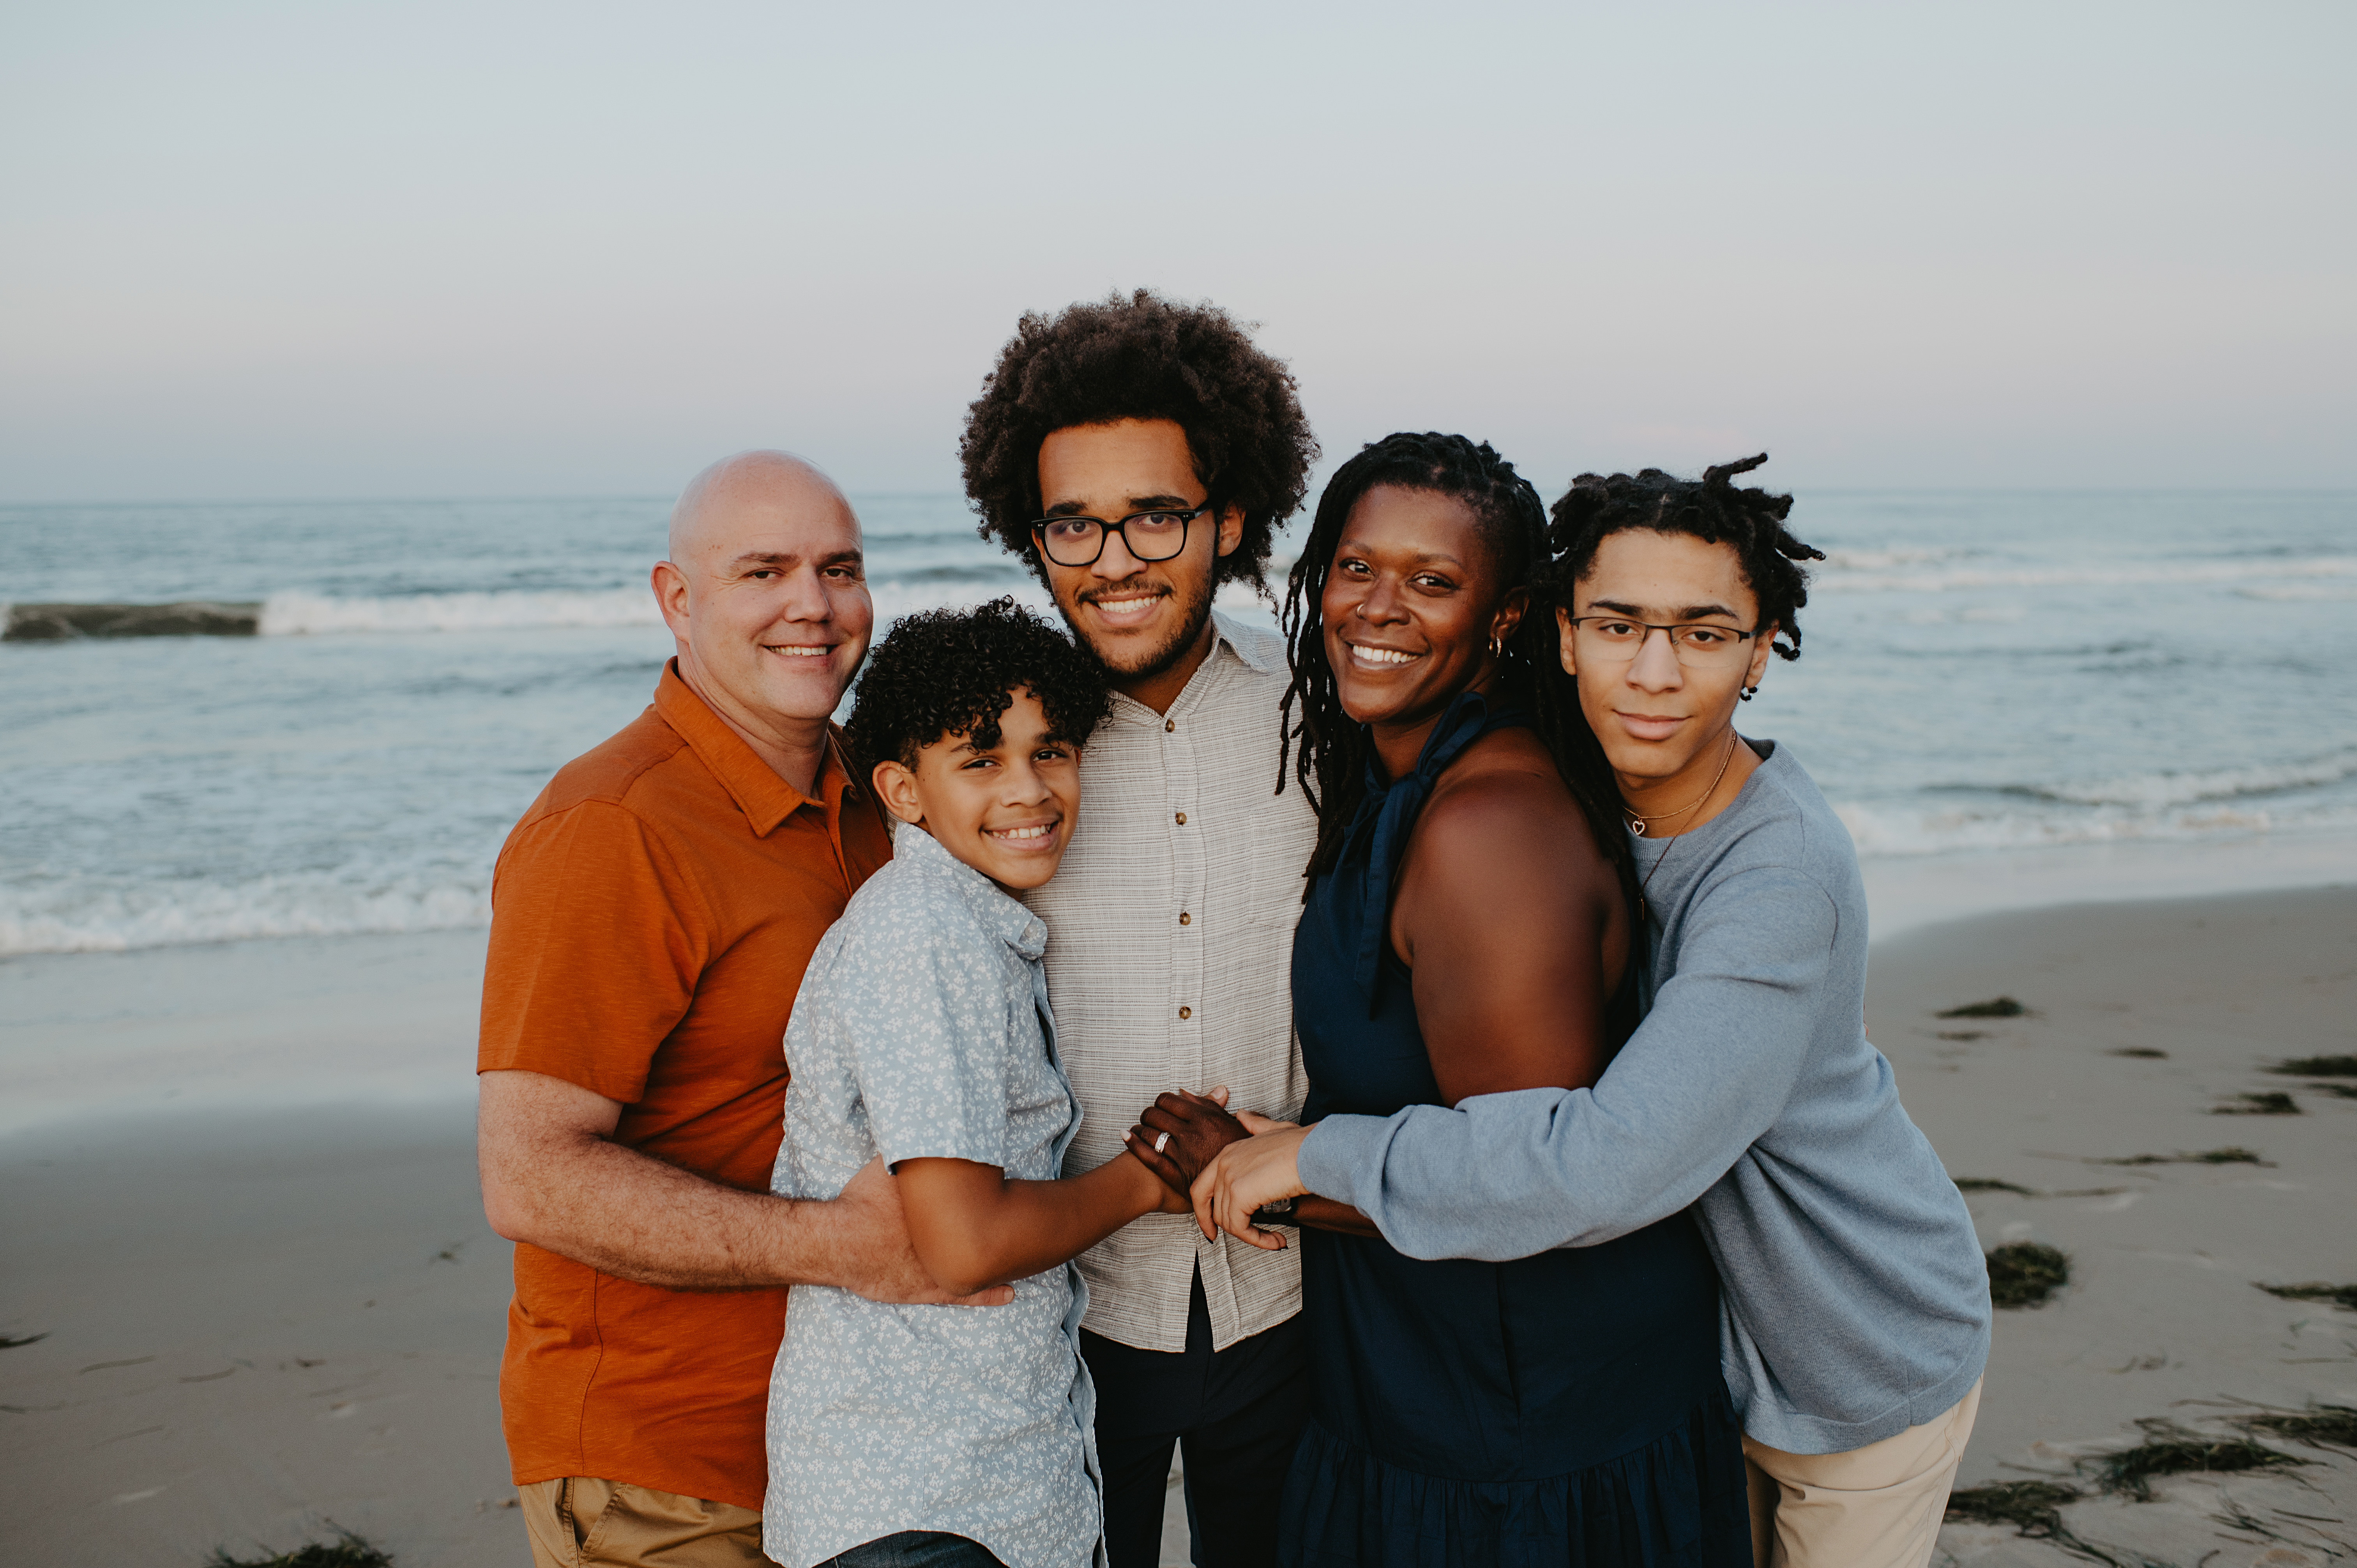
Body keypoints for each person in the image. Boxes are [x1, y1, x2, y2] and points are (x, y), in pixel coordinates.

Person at [1194, 456, 1993, 1568]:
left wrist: (1312, 1158)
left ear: (1762, 655)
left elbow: (1604, 1165)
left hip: (1846, 1350)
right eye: (1620, 626)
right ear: (1562, 636)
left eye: (1704, 635)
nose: (1654, 673)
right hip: (1707, 1340)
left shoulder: (1779, 881)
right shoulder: (1584, 779)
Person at [1138, 434, 1751, 1566]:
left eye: (1433, 582)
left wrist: (1263, 1169)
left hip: (1522, 1444)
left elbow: (1530, 1187)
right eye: (1357, 568)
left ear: (1508, 618)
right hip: (1421, 1397)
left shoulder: (1488, 829)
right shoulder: (1397, 779)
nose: (1379, 608)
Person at [477, 452, 1009, 1568]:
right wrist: (846, 1248)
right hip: (667, 1465)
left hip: (858, 1443)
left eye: (840, 569)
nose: (811, 606)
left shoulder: (883, 800)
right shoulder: (611, 828)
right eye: (763, 571)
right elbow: (531, 1176)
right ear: (678, 599)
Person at [957, 289, 1321, 1568]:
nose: (1111, 559)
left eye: (1152, 514)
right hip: (1059, 1315)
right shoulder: (984, 761)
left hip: (1291, 1303)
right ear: (1030, 533)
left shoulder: (1317, 725)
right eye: (1073, 522)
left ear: (1226, 519)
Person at [765, 599, 1194, 1568]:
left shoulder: (965, 922)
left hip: (974, 1486)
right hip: (927, 1502)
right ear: (904, 791)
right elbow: (964, 1245)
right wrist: (1148, 1176)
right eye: (980, 758)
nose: (1030, 789)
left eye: (1052, 751)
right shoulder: (928, 938)